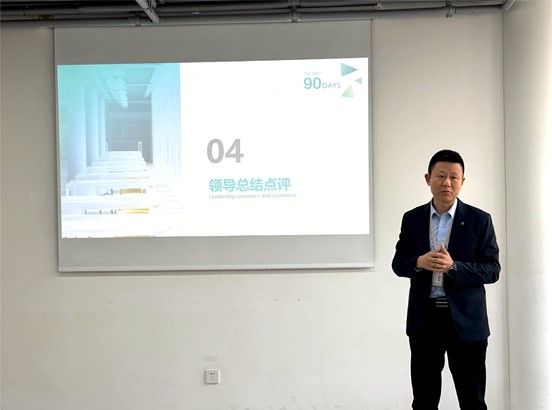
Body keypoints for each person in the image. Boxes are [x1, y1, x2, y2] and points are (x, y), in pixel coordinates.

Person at [392, 149, 500, 410]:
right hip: (425, 319)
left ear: (463, 181)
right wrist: (419, 262)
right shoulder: (412, 219)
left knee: (473, 400)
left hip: (467, 321)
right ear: (428, 178)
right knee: (424, 400)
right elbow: (398, 264)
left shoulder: (479, 220)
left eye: (454, 177)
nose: (447, 183)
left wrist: (455, 267)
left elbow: (492, 270)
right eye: (441, 176)